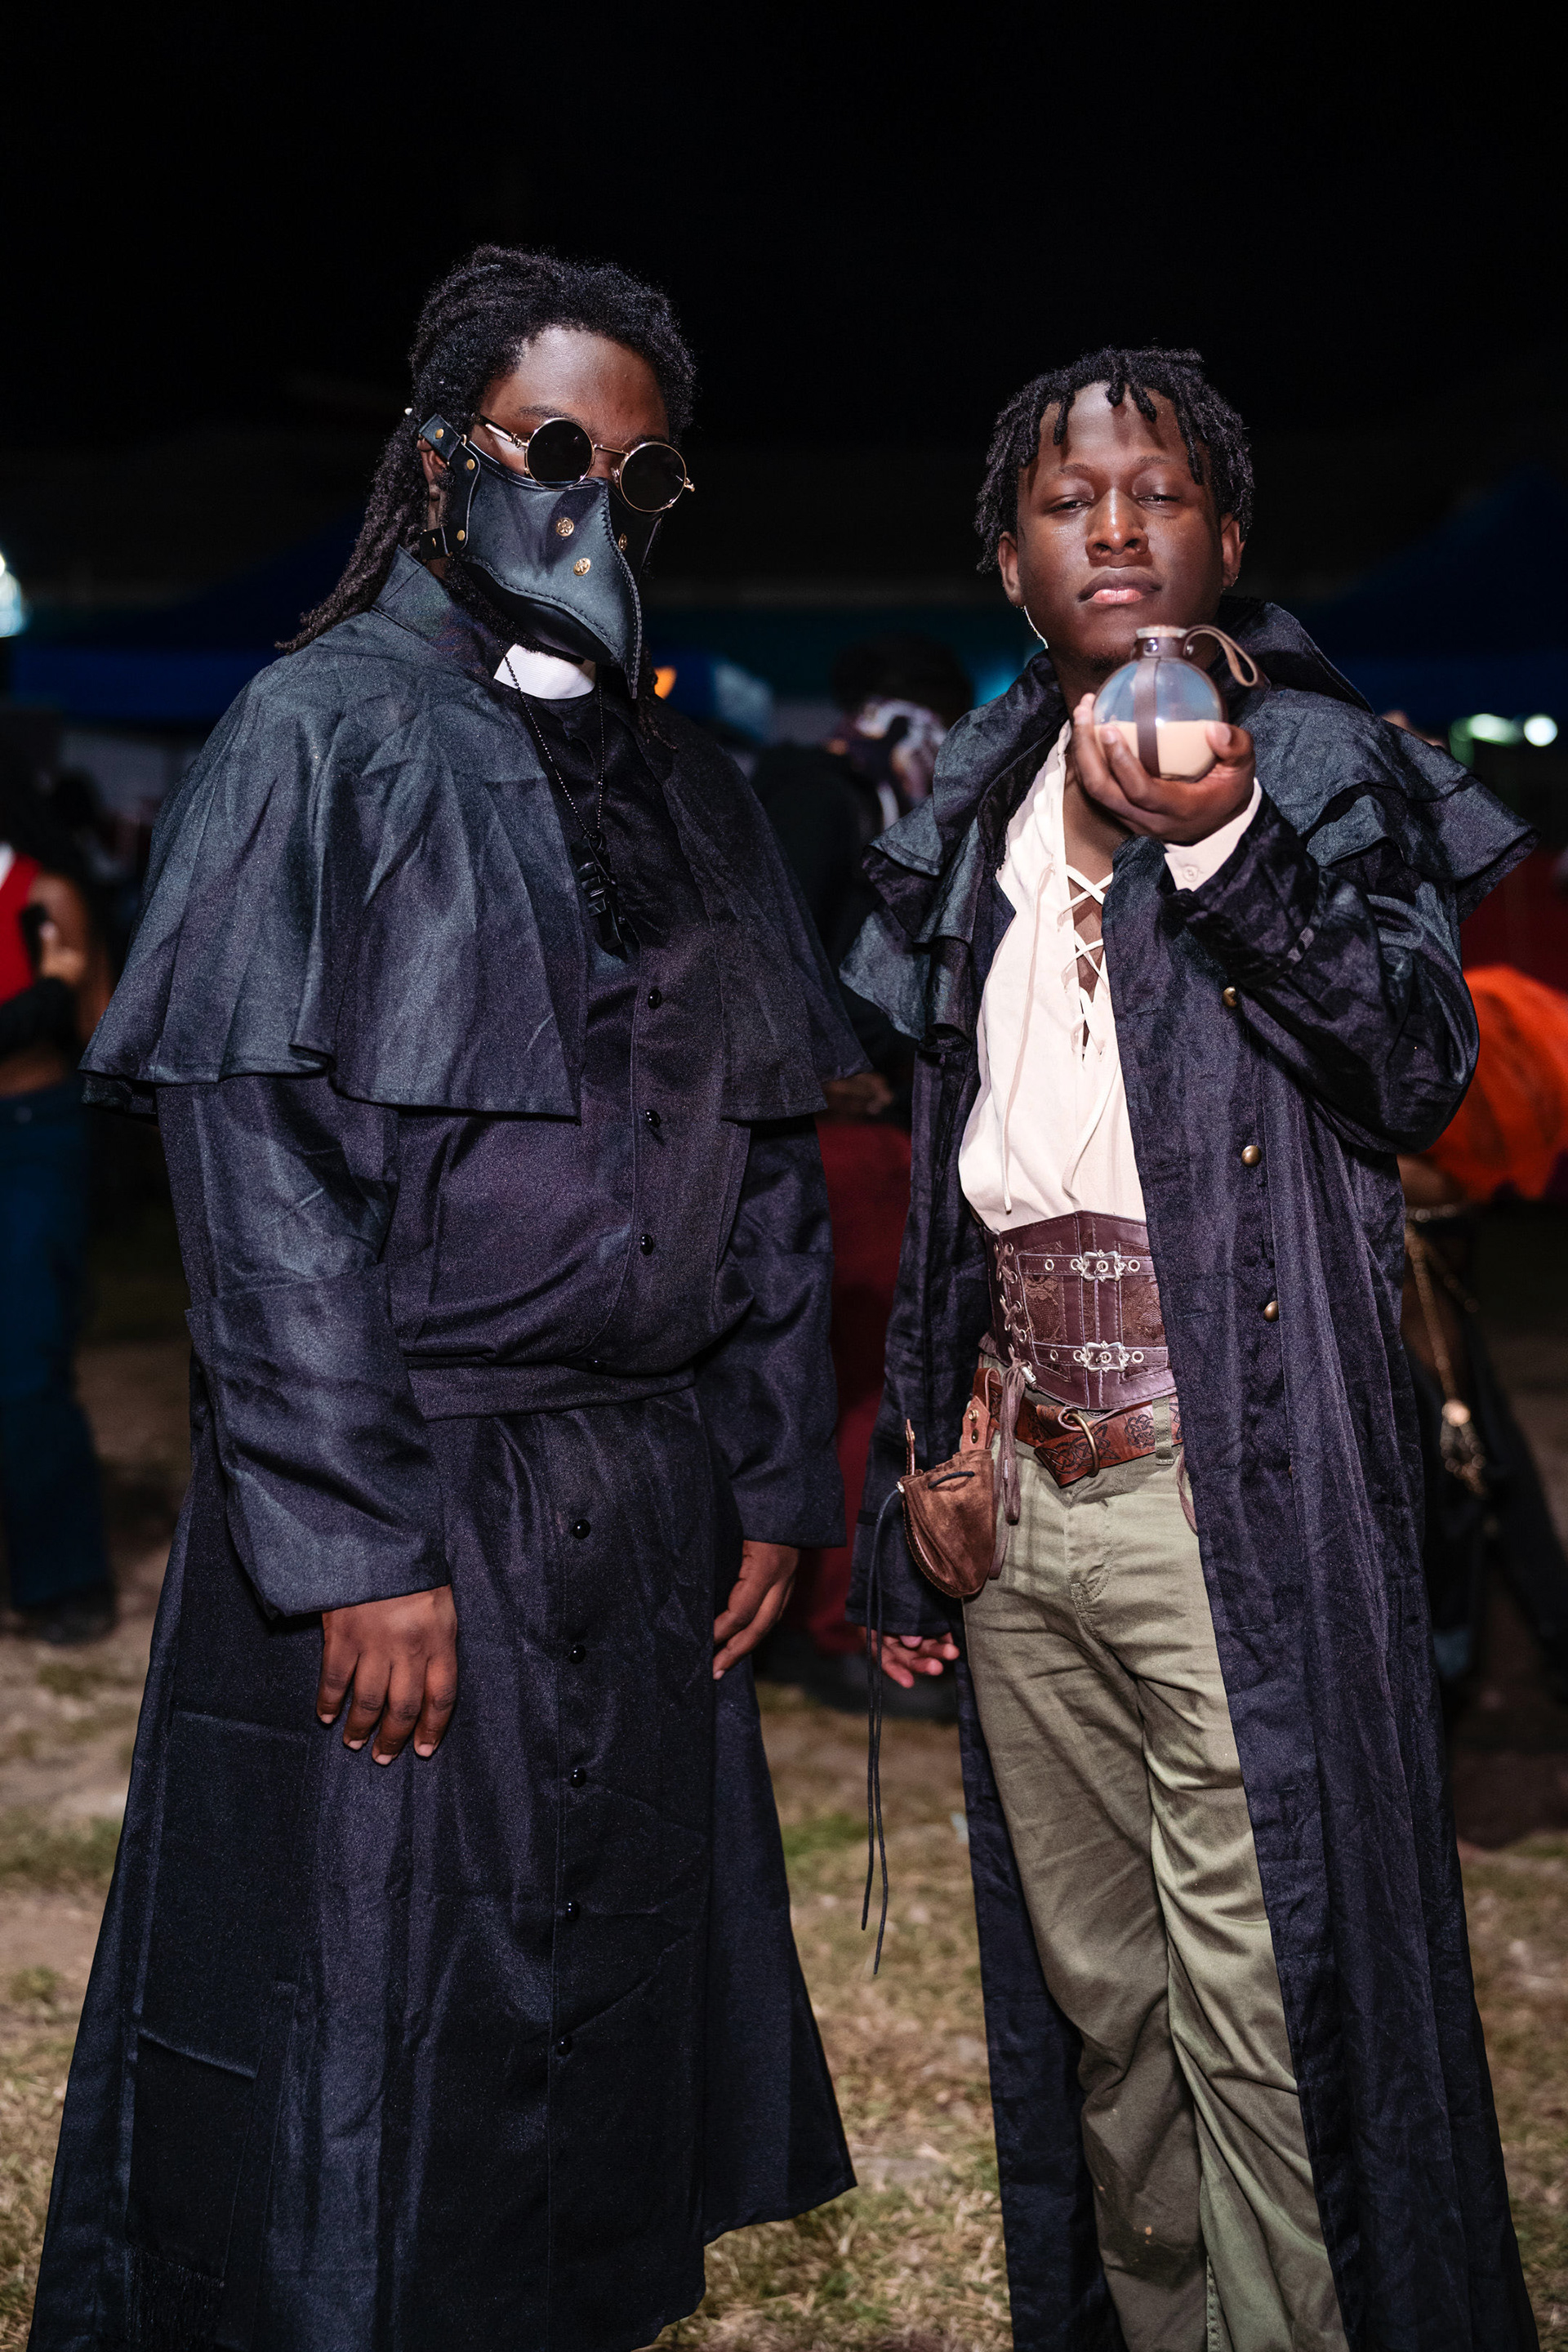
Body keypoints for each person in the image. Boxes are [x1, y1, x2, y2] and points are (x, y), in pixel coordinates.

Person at [30, 248, 860, 2352]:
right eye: (551, 447)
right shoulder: (319, 732)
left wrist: (773, 1475)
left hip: (645, 1487)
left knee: (607, 1987)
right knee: (371, 2009)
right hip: (417, 1490)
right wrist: (358, 1543)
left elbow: (768, 1150)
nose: (592, 500)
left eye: (639, 472)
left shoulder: (690, 783)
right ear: (436, 459)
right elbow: (257, 1165)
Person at [844, 349, 1538, 2349]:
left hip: (1234, 1471)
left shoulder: (1313, 764)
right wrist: (913, 1493)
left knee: (1265, 1999)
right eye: (1069, 502)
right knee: (1104, 2005)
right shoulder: (977, 798)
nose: (1117, 527)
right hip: (1024, 1490)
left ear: (1228, 537)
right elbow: (952, 1179)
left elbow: (1419, 1065)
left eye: (1158, 492)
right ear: (1010, 560)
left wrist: (1230, 850)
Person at [753, 636, 972, 1712]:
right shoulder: (828, 793)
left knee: (828, 1380)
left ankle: (818, 1618)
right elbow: (775, 950)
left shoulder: (849, 790)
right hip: (835, 1130)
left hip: (837, 1127)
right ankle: (839, 1623)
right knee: (868, 1380)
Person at [0, 782, 114, 1644]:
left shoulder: (43, 893)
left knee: (24, 1362)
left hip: (29, 1136)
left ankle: (64, 1576)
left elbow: (100, 1027)